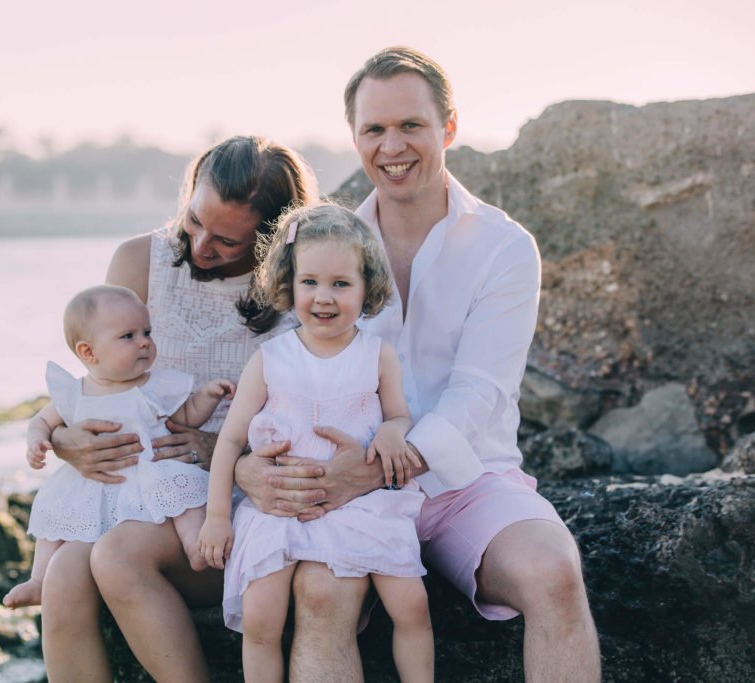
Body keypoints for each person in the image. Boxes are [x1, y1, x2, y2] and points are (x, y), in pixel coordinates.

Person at [234, 47, 602, 681]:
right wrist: (246, 468)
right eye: (374, 129)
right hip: (334, 479)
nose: (391, 145)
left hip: (465, 483)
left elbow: (480, 392)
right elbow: (283, 376)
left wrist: (374, 473)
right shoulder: (327, 245)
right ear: (355, 138)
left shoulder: (503, 247)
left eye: (411, 125)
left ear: (449, 128)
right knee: (320, 598)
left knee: (554, 573)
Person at [42, 136, 319, 682]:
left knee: (117, 557)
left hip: (233, 506)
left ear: (270, 241)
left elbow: (314, 415)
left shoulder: (301, 288)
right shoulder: (138, 260)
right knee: (63, 574)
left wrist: (219, 449)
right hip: (139, 490)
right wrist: (64, 441)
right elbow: (97, 374)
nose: (198, 247)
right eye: (194, 221)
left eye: (225, 241)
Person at [199, 204, 433, 683]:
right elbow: (229, 441)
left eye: (341, 284)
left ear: (367, 288)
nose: (323, 297)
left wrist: (392, 431)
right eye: (310, 282)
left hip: (358, 506)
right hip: (278, 510)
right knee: (261, 617)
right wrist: (218, 516)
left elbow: (399, 414)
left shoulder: (377, 355)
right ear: (288, 283)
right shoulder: (270, 359)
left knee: (412, 606)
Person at [1, 285, 234, 609]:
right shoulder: (75, 393)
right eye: (128, 336)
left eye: (147, 332)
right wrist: (38, 442)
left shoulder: (155, 386)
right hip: (98, 480)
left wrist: (208, 396)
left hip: (153, 473)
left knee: (186, 493)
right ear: (88, 353)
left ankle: (195, 545)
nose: (144, 342)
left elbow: (186, 417)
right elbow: (41, 421)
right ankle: (40, 579)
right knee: (55, 517)